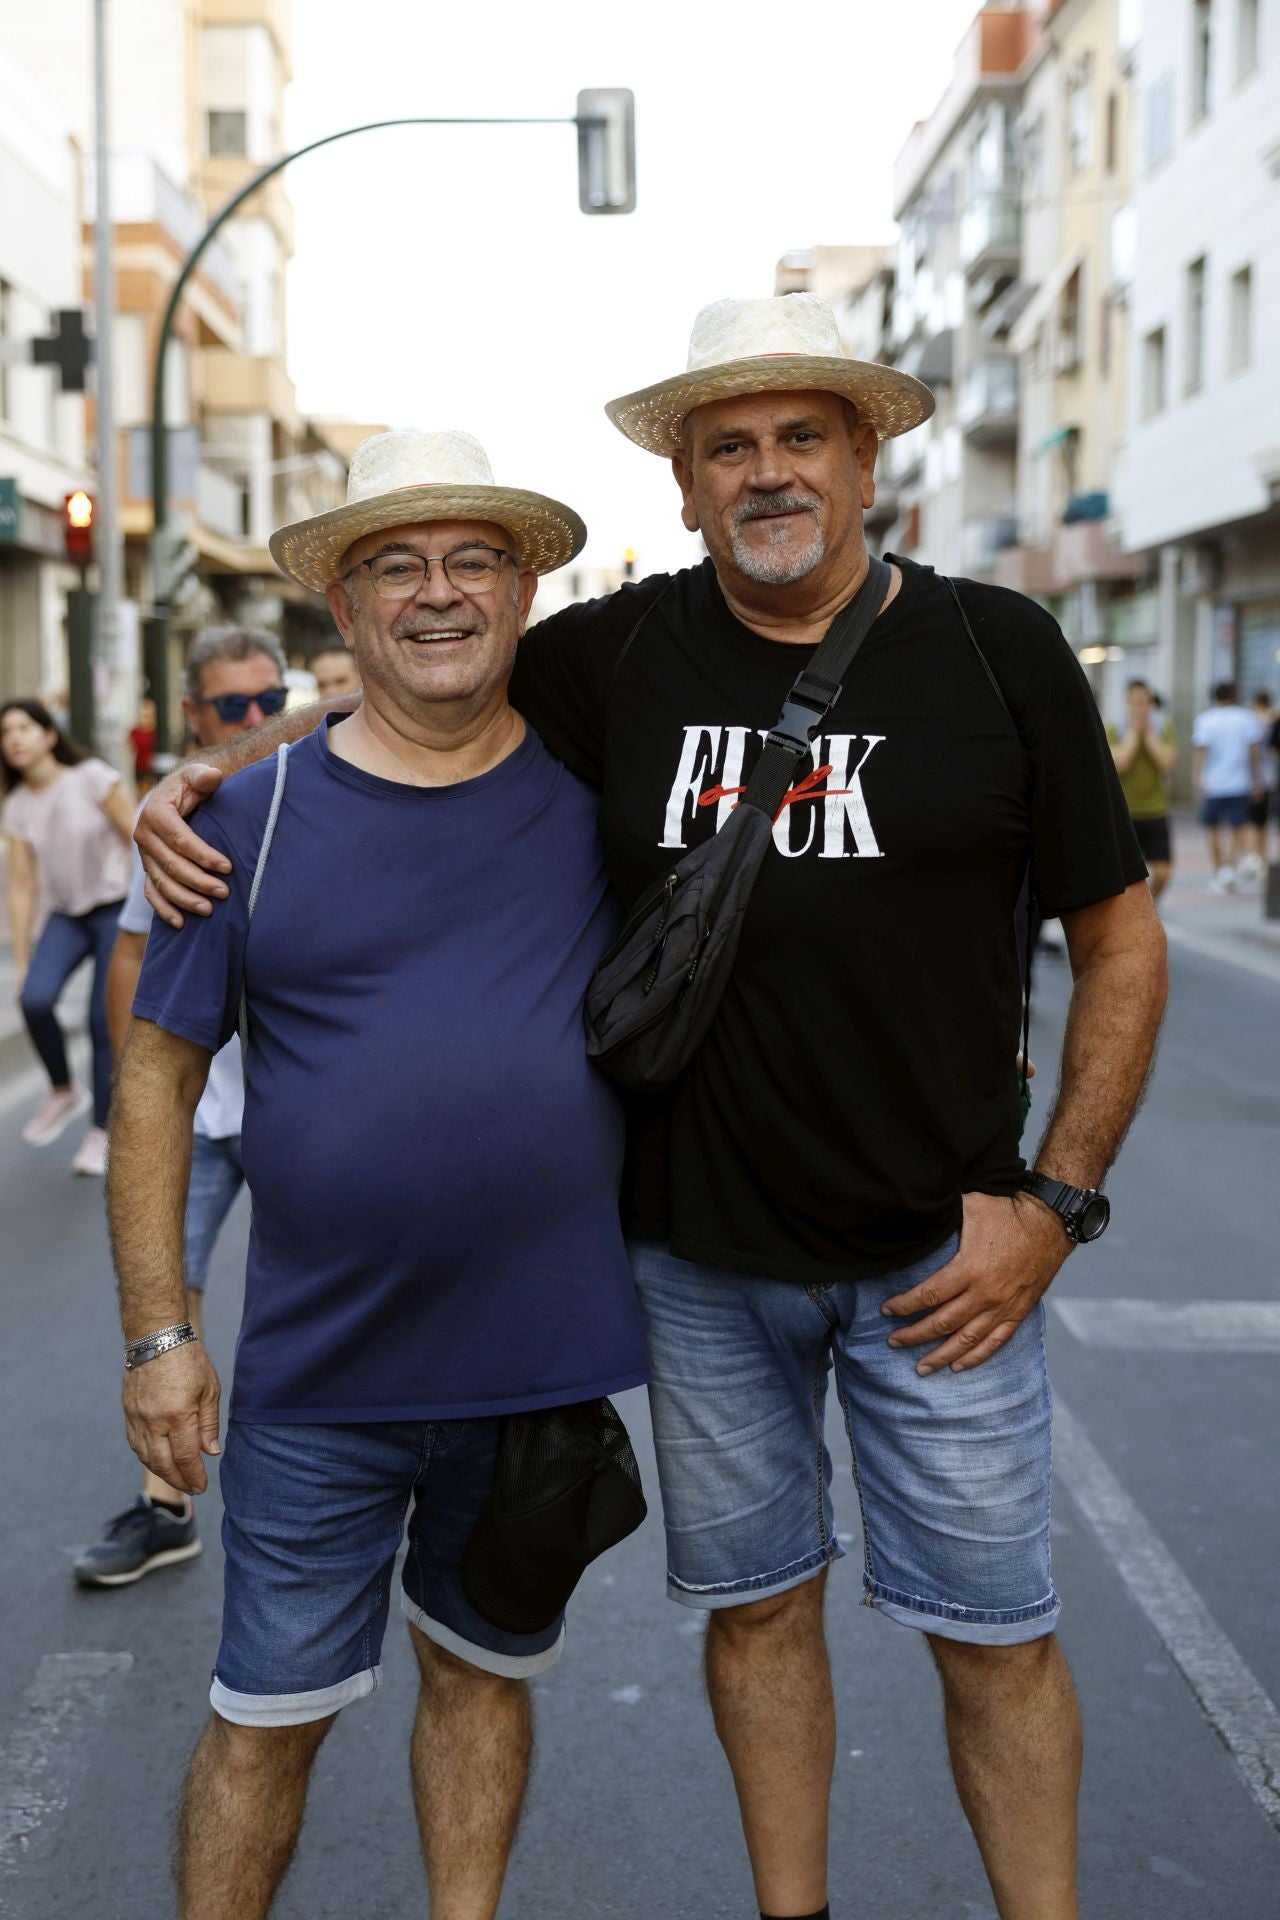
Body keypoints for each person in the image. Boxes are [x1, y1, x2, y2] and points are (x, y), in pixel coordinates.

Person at [137, 297, 1168, 1920]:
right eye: (728, 446)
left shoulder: (998, 647)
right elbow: (413, 702)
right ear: (682, 489)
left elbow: (1120, 940)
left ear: (867, 459)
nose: (766, 474)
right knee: (758, 1615)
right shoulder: (609, 658)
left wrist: (1057, 1200)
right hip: (694, 1259)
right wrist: (194, 779)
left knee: (1000, 1634)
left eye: (799, 437)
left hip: (948, 1263)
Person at [108, 431, 649, 1920]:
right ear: (340, 614)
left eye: (472, 558)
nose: (437, 594)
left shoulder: (605, 795)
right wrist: (160, 1338)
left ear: (525, 591)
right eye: (393, 566)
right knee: (263, 1719)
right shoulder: (244, 822)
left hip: (536, 1371)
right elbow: (154, 1082)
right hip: (321, 1375)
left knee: (480, 1687)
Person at [73, 628, 287, 1587]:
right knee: (172, 1298)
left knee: (338, 1295)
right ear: (196, 715)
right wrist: (144, 1088)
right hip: (202, 1117)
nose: (257, 720)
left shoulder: (335, 780)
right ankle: (169, 1505)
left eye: (269, 698)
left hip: (296, 1113)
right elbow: (128, 949)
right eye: (234, 707)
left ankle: (378, 1473)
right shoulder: (180, 811)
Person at [2, 698, 133, 1174]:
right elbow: (20, 887)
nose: (14, 738)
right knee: (34, 998)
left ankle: (101, 1130)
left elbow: (139, 836)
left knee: (103, 1023)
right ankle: (63, 1090)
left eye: (24, 728)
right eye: (6, 732)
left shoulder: (93, 778)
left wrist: (151, 911)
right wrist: (21, 959)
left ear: (49, 736)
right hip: (66, 916)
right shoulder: (16, 805)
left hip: (115, 907)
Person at [1107, 678, 1177, 901]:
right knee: (1125, 875)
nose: (1140, 707)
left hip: (1155, 810)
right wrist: (1133, 733)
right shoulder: (1113, 729)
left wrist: (1147, 733)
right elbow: (1120, 764)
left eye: (1144, 702)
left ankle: (1149, 905)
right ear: (1126, 702)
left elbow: (1166, 762)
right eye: (1135, 702)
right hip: (1125, 812)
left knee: (1164, 872)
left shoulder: (1162, 728)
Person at [1191, 680, 1263, 891]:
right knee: (1237, 826)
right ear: (1233, 695)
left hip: (1214, 783)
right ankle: (1233, 866)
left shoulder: (1205, 719)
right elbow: (1254, 752)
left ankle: (1220, 870)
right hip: (1240, 781)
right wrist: (1257, 779)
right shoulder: (1245, 717)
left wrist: (1197, 775)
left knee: (1212, 828)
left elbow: (1201, 750)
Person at [1242, 690, 1277, 876]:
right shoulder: (1270, 720)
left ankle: (1252, 855)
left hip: (1249, 778)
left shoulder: (1250, 721)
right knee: (1262, 821)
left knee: (1248, 820)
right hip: (1267, 777)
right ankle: (1260, 856)